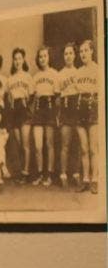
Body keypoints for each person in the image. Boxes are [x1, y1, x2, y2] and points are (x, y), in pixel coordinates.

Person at [31, 46, 58, 186]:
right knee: (37, 145)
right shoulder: (35, 77)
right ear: (38, 59)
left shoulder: (54, 74)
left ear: (49, 57)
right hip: (38, 109)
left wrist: (56, 113)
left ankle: (50, 174)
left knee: (49, 143)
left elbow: (57, 97)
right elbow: (33, 97)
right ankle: (40, 173)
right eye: (40, 56)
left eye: (45, 56)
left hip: (50, 107)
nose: (42, 59)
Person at [75, 39, 100, 194]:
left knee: (93, 148)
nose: (83, 54)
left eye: (86, 50)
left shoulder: (98, 69)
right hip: (80, 108)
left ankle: (95, 180)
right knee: (83, 148)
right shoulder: (78, 72)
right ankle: (85, 180)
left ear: (92, 51)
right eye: (81, 51)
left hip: (93, 107)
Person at [56, 42, 80, 189]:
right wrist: (58, 115)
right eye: (66, 54)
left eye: (71, 53)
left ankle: (76, 173)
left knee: (76, 144)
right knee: (65, 144)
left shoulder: (79, 72)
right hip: (65, 108)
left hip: (76, 108)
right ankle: (63, 174)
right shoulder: (60, 74)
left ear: (75, 55)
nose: (68, 56)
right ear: (63, 56)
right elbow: (58, 98)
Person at [7, 47, 33, 183]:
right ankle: (22, 170)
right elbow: (9, 98)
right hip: (14, 111)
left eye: (19, 58)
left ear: (23, 60)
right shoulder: (10, 78)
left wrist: (26, 102)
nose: (17, 61)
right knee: (17, 143)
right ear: (13, 61)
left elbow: (32, 96)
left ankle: (26, 172)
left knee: (25, 144)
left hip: (24, 109)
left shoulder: (28, 76)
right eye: (15, 59)